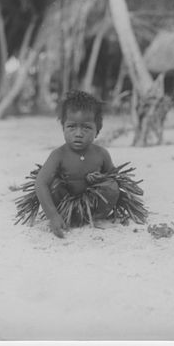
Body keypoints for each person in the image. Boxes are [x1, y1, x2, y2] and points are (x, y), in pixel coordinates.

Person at [35, 90, 120, 238]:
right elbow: (40, 183)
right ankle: (66, 218)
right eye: (72, 126)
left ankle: (95, 218)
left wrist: (101, 179)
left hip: (92, 206)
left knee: (111, 185)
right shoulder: (58, 155)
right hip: (64, 205)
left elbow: (115, 178)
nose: (78, 133)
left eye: (86, 127)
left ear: (97, 131)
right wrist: (53, 216)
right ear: (63, 128)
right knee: (53, 185)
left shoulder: (101, 154)